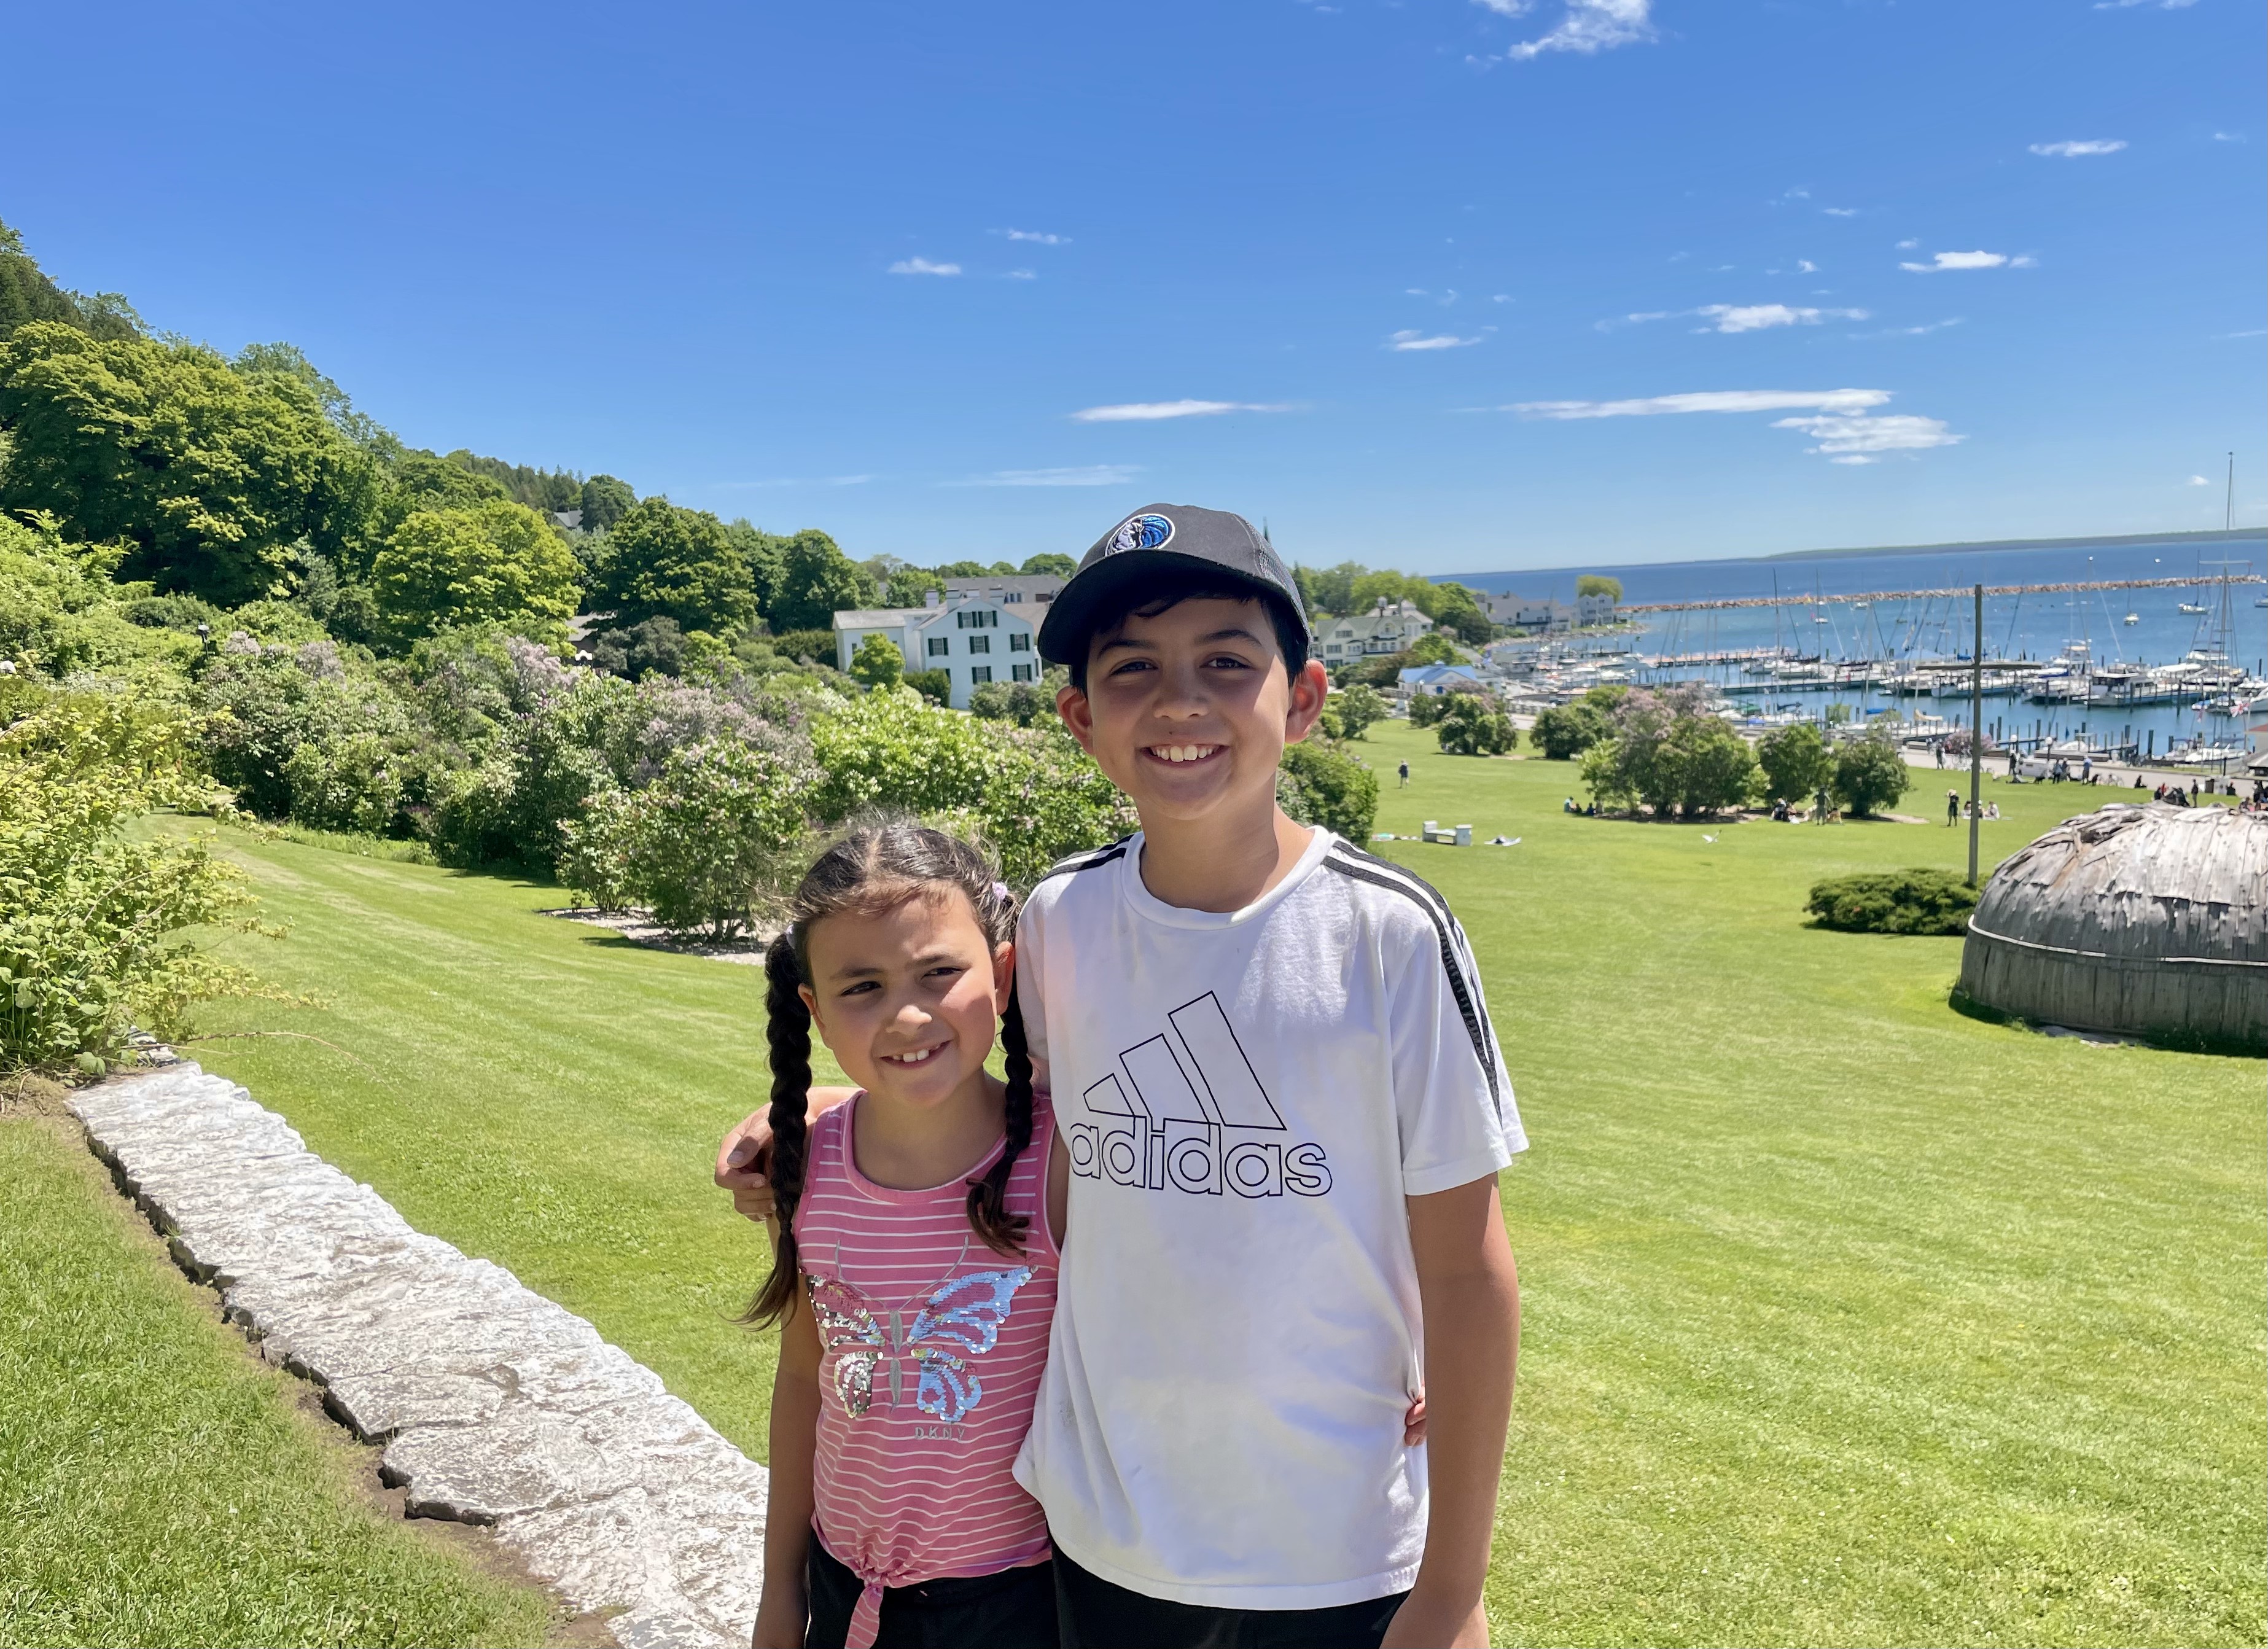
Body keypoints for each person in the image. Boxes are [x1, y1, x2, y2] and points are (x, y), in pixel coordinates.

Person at [722, 504, 1521, 1649]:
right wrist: (813, 1112)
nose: (1179, 700)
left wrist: (1450, 1593)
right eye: (1133, 668)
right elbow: (988, 1094)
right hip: (1099, 1539)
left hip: (1336, 1546)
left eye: (1226, 662)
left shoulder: (1388, 932)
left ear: (1302, 699)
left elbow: (1467, 1269)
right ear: (1081, 720)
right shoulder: (1062, 919)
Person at [745, 824, 1064, 1649]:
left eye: (938, 972)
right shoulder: (804, 1166)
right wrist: (780, 1592)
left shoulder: (1062, 1162)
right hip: (842, 1587)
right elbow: (803, 1378)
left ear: (1002, 974)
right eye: (863, 986)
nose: (909, 1014)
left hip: (1017, 1602)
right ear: (814, 1011)